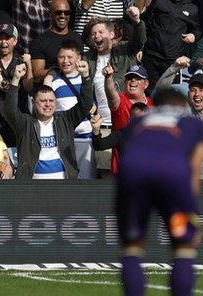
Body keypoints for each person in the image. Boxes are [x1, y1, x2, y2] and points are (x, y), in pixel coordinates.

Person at [115, 88, 203, 296]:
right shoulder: (192, 123)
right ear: (181, 106)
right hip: (173, 175)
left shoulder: (139, 121)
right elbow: (194, 168)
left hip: (133, 173)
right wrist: (193, 212)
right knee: (183, 248)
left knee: (132, 247)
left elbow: (126, 151)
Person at [3, 61, 93, 179]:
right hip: (31, 187)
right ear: (33, 103)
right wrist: (15, 79)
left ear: (56, 102)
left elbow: (86, 104)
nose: (47, 105)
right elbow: (9, 110)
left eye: (51, 101)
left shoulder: (65, 120)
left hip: (64, 185)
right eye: (43, 101)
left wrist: (85, 77)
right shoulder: (25, 123)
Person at [85, 9, 145, 177]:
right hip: (104, 125)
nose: (96, 35)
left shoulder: (125, 52)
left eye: (100, 32)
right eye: (93, 33)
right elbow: (85, 90)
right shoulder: (88, 58)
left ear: (111, 34)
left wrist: (137, 21)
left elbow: (139, 40)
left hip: (126, 124)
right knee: (106, 176)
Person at [43, 40, 96, 179]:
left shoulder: (87, 79)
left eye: (69, 57)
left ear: (78, 58)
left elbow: (94, 104)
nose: (65, 61)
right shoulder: (54, 82)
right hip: (64, 138)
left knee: (86, 181)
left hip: (86, 138)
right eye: (61, 57)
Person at [139, 0, 202, 91]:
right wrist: (141, 48)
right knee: (149, 91)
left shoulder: (192, 8)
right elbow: (146, 24)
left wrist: (193, 36)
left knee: (170, 94)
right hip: (152, 56)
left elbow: (198, 30)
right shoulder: (159, 1)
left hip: (173, 61)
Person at [103, 64, 154, 174]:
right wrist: (108, 78)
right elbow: (111, 94)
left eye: (138, 78)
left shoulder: (152, 104)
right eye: (129, 78)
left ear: (146, 84)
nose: (133, 81)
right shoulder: (120, 100)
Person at [30, 0, 83, 84]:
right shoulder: (40, 41)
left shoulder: (77, 38)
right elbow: (37, 75)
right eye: (58, 12)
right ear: (50, 13)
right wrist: (61, 69)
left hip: (75, 89)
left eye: (66, 12)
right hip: (51, 90)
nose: (63, 15)